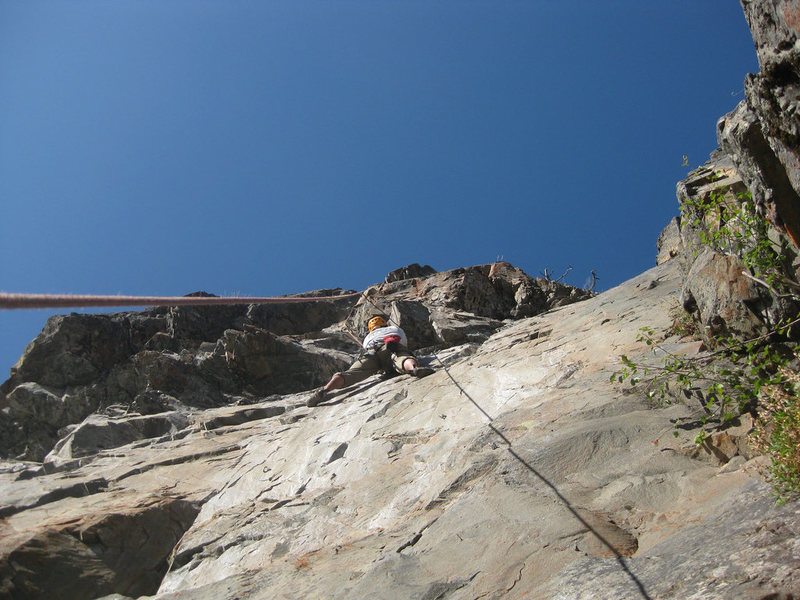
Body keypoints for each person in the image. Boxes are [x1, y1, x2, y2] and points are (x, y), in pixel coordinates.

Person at [307, 315, 434, 407]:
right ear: (384, 323)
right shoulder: (395, 329)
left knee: (352, 373)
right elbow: (404, 343)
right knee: (402, 357)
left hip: (371, 353)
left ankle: (324, 390)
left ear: (371, 327)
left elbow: (366, 347)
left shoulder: (368, 337)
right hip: (391, 346)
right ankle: (414, 369)